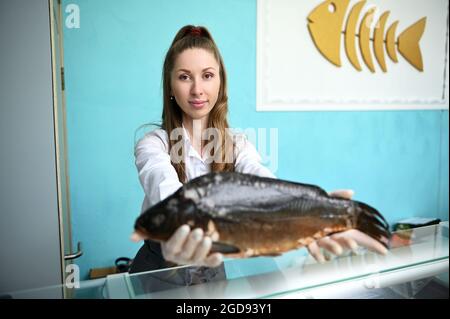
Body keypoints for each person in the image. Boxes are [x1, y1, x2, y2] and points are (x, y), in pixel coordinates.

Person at [129, 25, 387, 276]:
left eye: (207, 75)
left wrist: (311, 215)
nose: (197, 89)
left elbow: (263, 184)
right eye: (185, 77)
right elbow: (166, 193)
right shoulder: (153, 144)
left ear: (220, 83)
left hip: (213, 269)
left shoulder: (239, 144)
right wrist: (182, 230)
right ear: (171, 87)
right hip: (157, 271)